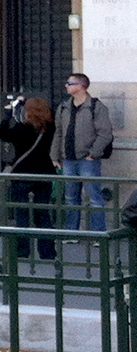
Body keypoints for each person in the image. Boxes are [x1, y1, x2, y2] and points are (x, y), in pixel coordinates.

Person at [0, 97, 58, 259]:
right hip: (44, 172)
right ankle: (47, 252)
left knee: (21, 213)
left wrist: (8, 115)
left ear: (27, 111)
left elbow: (2, 133)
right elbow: (49, 115)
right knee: (42, 214)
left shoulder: (21, 128)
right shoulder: (49, 128)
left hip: (23, 172)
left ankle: (22, 251)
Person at [57, 72, 114, 232]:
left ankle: (98, 234)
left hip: (87, 160)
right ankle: (71, 232)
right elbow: (59, 132)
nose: (66, 86)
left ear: (81, 86)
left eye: (70, 83)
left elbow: (105, 133)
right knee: (70, 198)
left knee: (95, 197)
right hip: (68, 159)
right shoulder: (64, 107)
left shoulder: (96, 106)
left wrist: (93, 154)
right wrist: (55, 155)